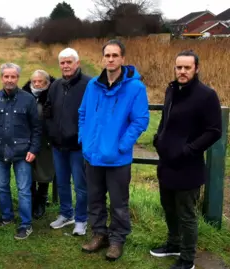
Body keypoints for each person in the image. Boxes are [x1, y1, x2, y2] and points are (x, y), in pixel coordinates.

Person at [150, 50, 222, 269]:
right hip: (166, 163)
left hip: (188, 166)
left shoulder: (206, 95)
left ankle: (187, 259)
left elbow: (214, 131)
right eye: (178, 67)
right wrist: (158, 138)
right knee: (169, 207)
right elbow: (165, 118)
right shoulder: (172, 90)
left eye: (187, 68)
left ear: (196, 69)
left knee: (187, 214)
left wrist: (189, 150)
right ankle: (173, 244)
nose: (182, 71)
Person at [78, 39, 149, 261]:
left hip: (117, 159)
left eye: (115, 55)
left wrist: (122, 146)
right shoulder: (93, 86)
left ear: (122, 59)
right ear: (102, 58)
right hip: (92, 156)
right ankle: (99, 234)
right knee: (95, 199)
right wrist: (84, 139)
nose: (110, 59)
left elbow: (140, 120)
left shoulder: (135, 88)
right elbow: (83, 113)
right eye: (107, 55)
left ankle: (117, 239)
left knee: (119, 203)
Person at [0, 63, 42, 240]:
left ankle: (26, 224)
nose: (9, 80)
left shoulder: (28, 99)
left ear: (18, 78)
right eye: (6, 77)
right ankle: (7, 216)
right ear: (1, 78)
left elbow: (36, 128)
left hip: (23, 153)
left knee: (24, 189)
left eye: (13, 77)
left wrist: (34, 149)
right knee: (2, 186)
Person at [44, 48, 90, 234]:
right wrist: (52, 131)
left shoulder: (88, 84)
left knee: (80, 185)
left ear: (77, 63)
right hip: (58, 145)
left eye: (69, 62)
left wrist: (83, 136)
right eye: (62, 62)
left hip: (78, 146)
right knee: (62, 182)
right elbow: (48, 110)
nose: (65, 66)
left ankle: (81, 219)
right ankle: (66, 214)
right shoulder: (55, 86)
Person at [21, 69, 56, 220]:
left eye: (40, 81)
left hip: (45, 141)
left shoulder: (52, 96)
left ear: (47, 83)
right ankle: (31, 200)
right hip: (26, 141)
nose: (36, 84)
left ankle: (41, 201)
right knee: (27, 171)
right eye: (33, 81)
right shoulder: (24, 95)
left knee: (43, 172)